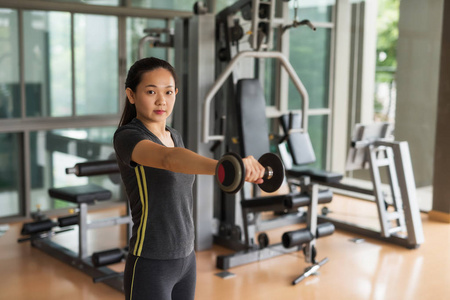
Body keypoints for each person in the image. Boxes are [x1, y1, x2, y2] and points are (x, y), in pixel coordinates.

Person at [114, 57, 265, 300]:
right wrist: (227, 167)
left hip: (186, 259)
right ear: (131, 95)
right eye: (151, 91)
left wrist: (233, 169)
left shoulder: (174, 136)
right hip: (151, 260)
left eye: (169, 92)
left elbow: (177, 157)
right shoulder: (127, 137)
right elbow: (167, 159)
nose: (161, 100)